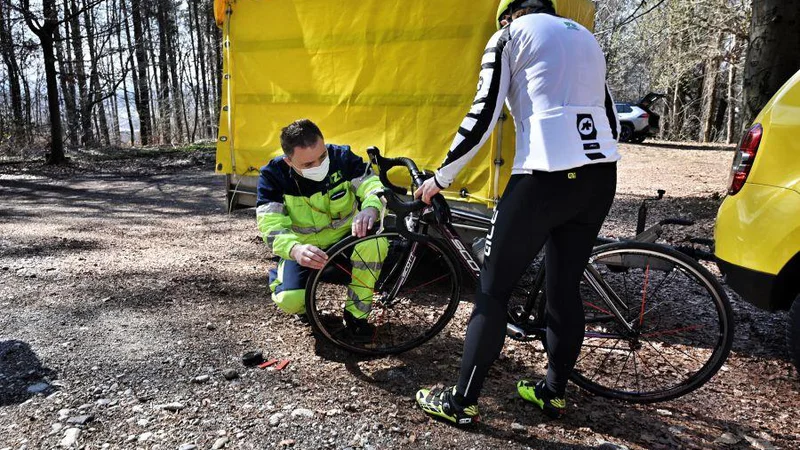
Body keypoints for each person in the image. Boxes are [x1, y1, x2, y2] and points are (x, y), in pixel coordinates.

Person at [414, 0, 620, 425]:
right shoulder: (585, 38)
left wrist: (441, 178)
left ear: (508, 16)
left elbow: (483, 113)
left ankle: (461, 404)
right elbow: (611, 120)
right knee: (564, 288)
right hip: (601, 175)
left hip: (543, 174)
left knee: (492, 291)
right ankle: (552, 393)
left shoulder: (508, 35)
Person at [256, 119, 387, 334]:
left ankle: (356, 316)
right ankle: (297, 295)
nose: (319, 166)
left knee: (376, 243)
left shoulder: (343, 157)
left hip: (346, 241)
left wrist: (371, 208)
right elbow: (269, 225)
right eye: (308, 165)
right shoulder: (273, 175)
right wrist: (294, 250)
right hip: (304, 250)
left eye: (322, 156)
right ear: (289, 162)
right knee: (289, 300)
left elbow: (372, 186)